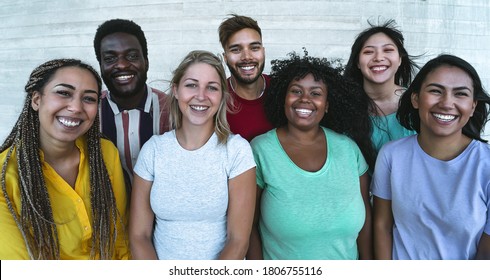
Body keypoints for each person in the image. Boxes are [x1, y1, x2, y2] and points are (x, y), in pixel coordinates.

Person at [129, 50, 256, 260]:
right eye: (191, 85)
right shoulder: (153, 150)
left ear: (221, 96)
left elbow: (238, 241)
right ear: (176, 90)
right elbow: (139, 235)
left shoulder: (237, 151)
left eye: (212, 88)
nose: (201, 96)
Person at [247, 51, 374, 260]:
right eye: (296, 91)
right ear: (283, 98)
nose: (305, 99)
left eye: (316, 93)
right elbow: (247, 226)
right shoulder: (261, 150)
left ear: (327, 105)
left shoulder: (349, 150)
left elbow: (366, 220)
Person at [0, 59, 129, 260]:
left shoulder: (105, 153)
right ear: (36, 100)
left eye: (89, 98)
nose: (76, 107)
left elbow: (119, 236)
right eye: (64, 93)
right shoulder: (4, 174)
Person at [372, 54, 490, 260]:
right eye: (436, 91)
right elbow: (382, 226)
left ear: (473, 107)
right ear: (416, 99)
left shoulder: (486, 165)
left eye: (460, 94)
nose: (446, 103)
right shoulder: (391, 155)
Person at [93, 18, 169, 187]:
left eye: (132, 56)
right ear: (101, 66)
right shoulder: (89, 112)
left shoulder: (172, 109)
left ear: (146, 62)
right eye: (110, 58)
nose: (121, 65)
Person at [344, 19, 419, 155]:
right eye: (368, 52)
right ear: (358, 62)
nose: (379, 57)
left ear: (400, 59)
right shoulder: (343, 105)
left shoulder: (417, 103)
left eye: (388, 50)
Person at [218, 14, 273, 142]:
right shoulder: (216, 99)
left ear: (263, 51)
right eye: (236, 50)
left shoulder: (283, 91)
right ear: (225, 57)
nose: (247, 57)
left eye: (254, 48)